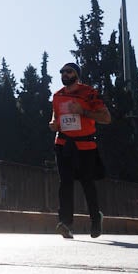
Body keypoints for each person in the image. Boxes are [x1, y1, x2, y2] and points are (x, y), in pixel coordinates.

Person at [50, 62, 111, 238]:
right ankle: (65, 223)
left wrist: (83, 111)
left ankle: (95, 219)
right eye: (62, 72)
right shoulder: (57, 95)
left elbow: (106, 118)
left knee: (87, 183)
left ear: (77, 74)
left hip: (85, 145)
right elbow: (55, 114)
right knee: (65, 183)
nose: (64, 74)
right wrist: (53, 123)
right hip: (63, 144)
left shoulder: (89, 93)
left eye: (69, 72)